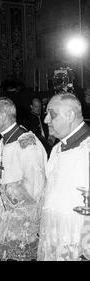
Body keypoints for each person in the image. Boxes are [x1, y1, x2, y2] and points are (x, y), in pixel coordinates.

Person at [0, 97, 47, 260]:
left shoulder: (26, 142)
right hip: (7, 213)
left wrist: (1, 189)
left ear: (3, 116)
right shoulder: (5, 138)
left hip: (22, 220)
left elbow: (34, 186)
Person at [38, 93, 90, 261]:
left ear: (70, 115)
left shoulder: (87, 149)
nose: (46, 120)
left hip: (78, 238)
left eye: (51, 114)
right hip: (54, 234)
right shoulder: (56, 149)